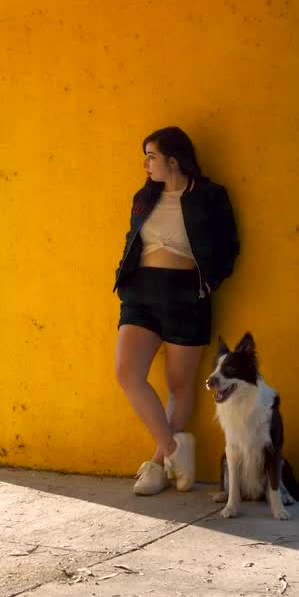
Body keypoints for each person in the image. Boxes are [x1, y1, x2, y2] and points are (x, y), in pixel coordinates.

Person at [113, 126, 239, 495]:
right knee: (127, 374)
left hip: (188, 295)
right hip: (141, 293)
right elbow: (131, 237)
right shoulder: (145, 196)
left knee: (179, 385)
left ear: (173, 160)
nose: (146, 164)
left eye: (151, 156)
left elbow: (230, 245)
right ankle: (174, 450)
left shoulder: (211, 196)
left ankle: (156, 466)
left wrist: (211, 282)